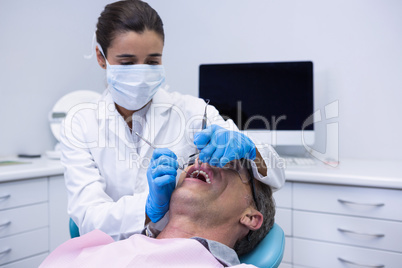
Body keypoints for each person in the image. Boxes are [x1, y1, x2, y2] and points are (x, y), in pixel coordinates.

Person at [61, 0, 284, 241]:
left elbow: (276, 172)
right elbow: (86, 217)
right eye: (127, 62)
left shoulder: (195, 112)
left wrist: (251, 151)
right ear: (101, 57)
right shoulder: (80, 125)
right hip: (111, 251)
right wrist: (148, 208)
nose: (142, 72)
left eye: (152, 62)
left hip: (178, 247)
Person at [40, 158, 276, 267]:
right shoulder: (102, 247)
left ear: (250, 217)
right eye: (194, 157)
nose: (202, 161)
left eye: (229, 165)